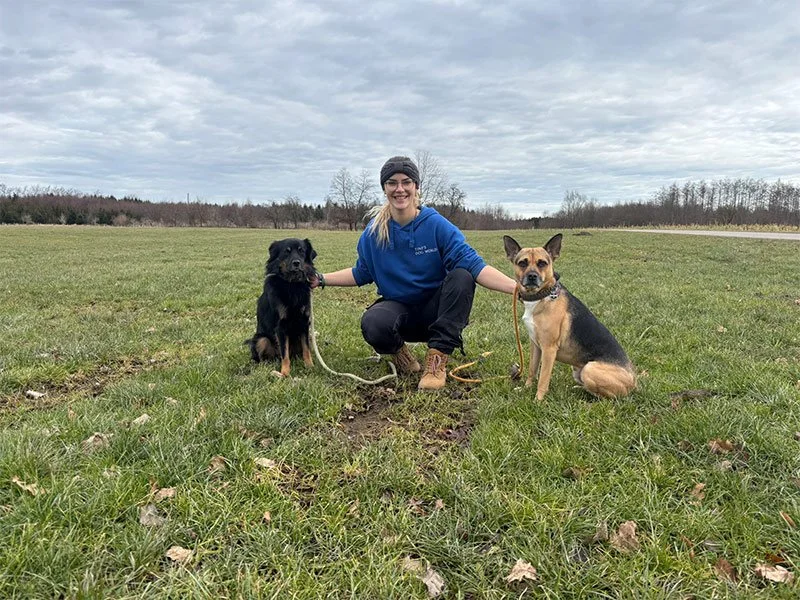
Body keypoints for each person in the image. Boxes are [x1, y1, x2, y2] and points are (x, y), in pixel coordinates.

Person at [311, 156, 517, 390]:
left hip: (437, 311)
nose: (400, 189)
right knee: (374, 323)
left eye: (406, 182)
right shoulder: (373, 233)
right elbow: (362, 272)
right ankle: (401, 355)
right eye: (392, 183)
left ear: (416, 187)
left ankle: (436, 362)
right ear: (384, 189)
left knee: (462, 276)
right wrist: (321, 279)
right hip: (401, 313)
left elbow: (475, 266)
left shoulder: (436, 225)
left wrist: (516, 289)